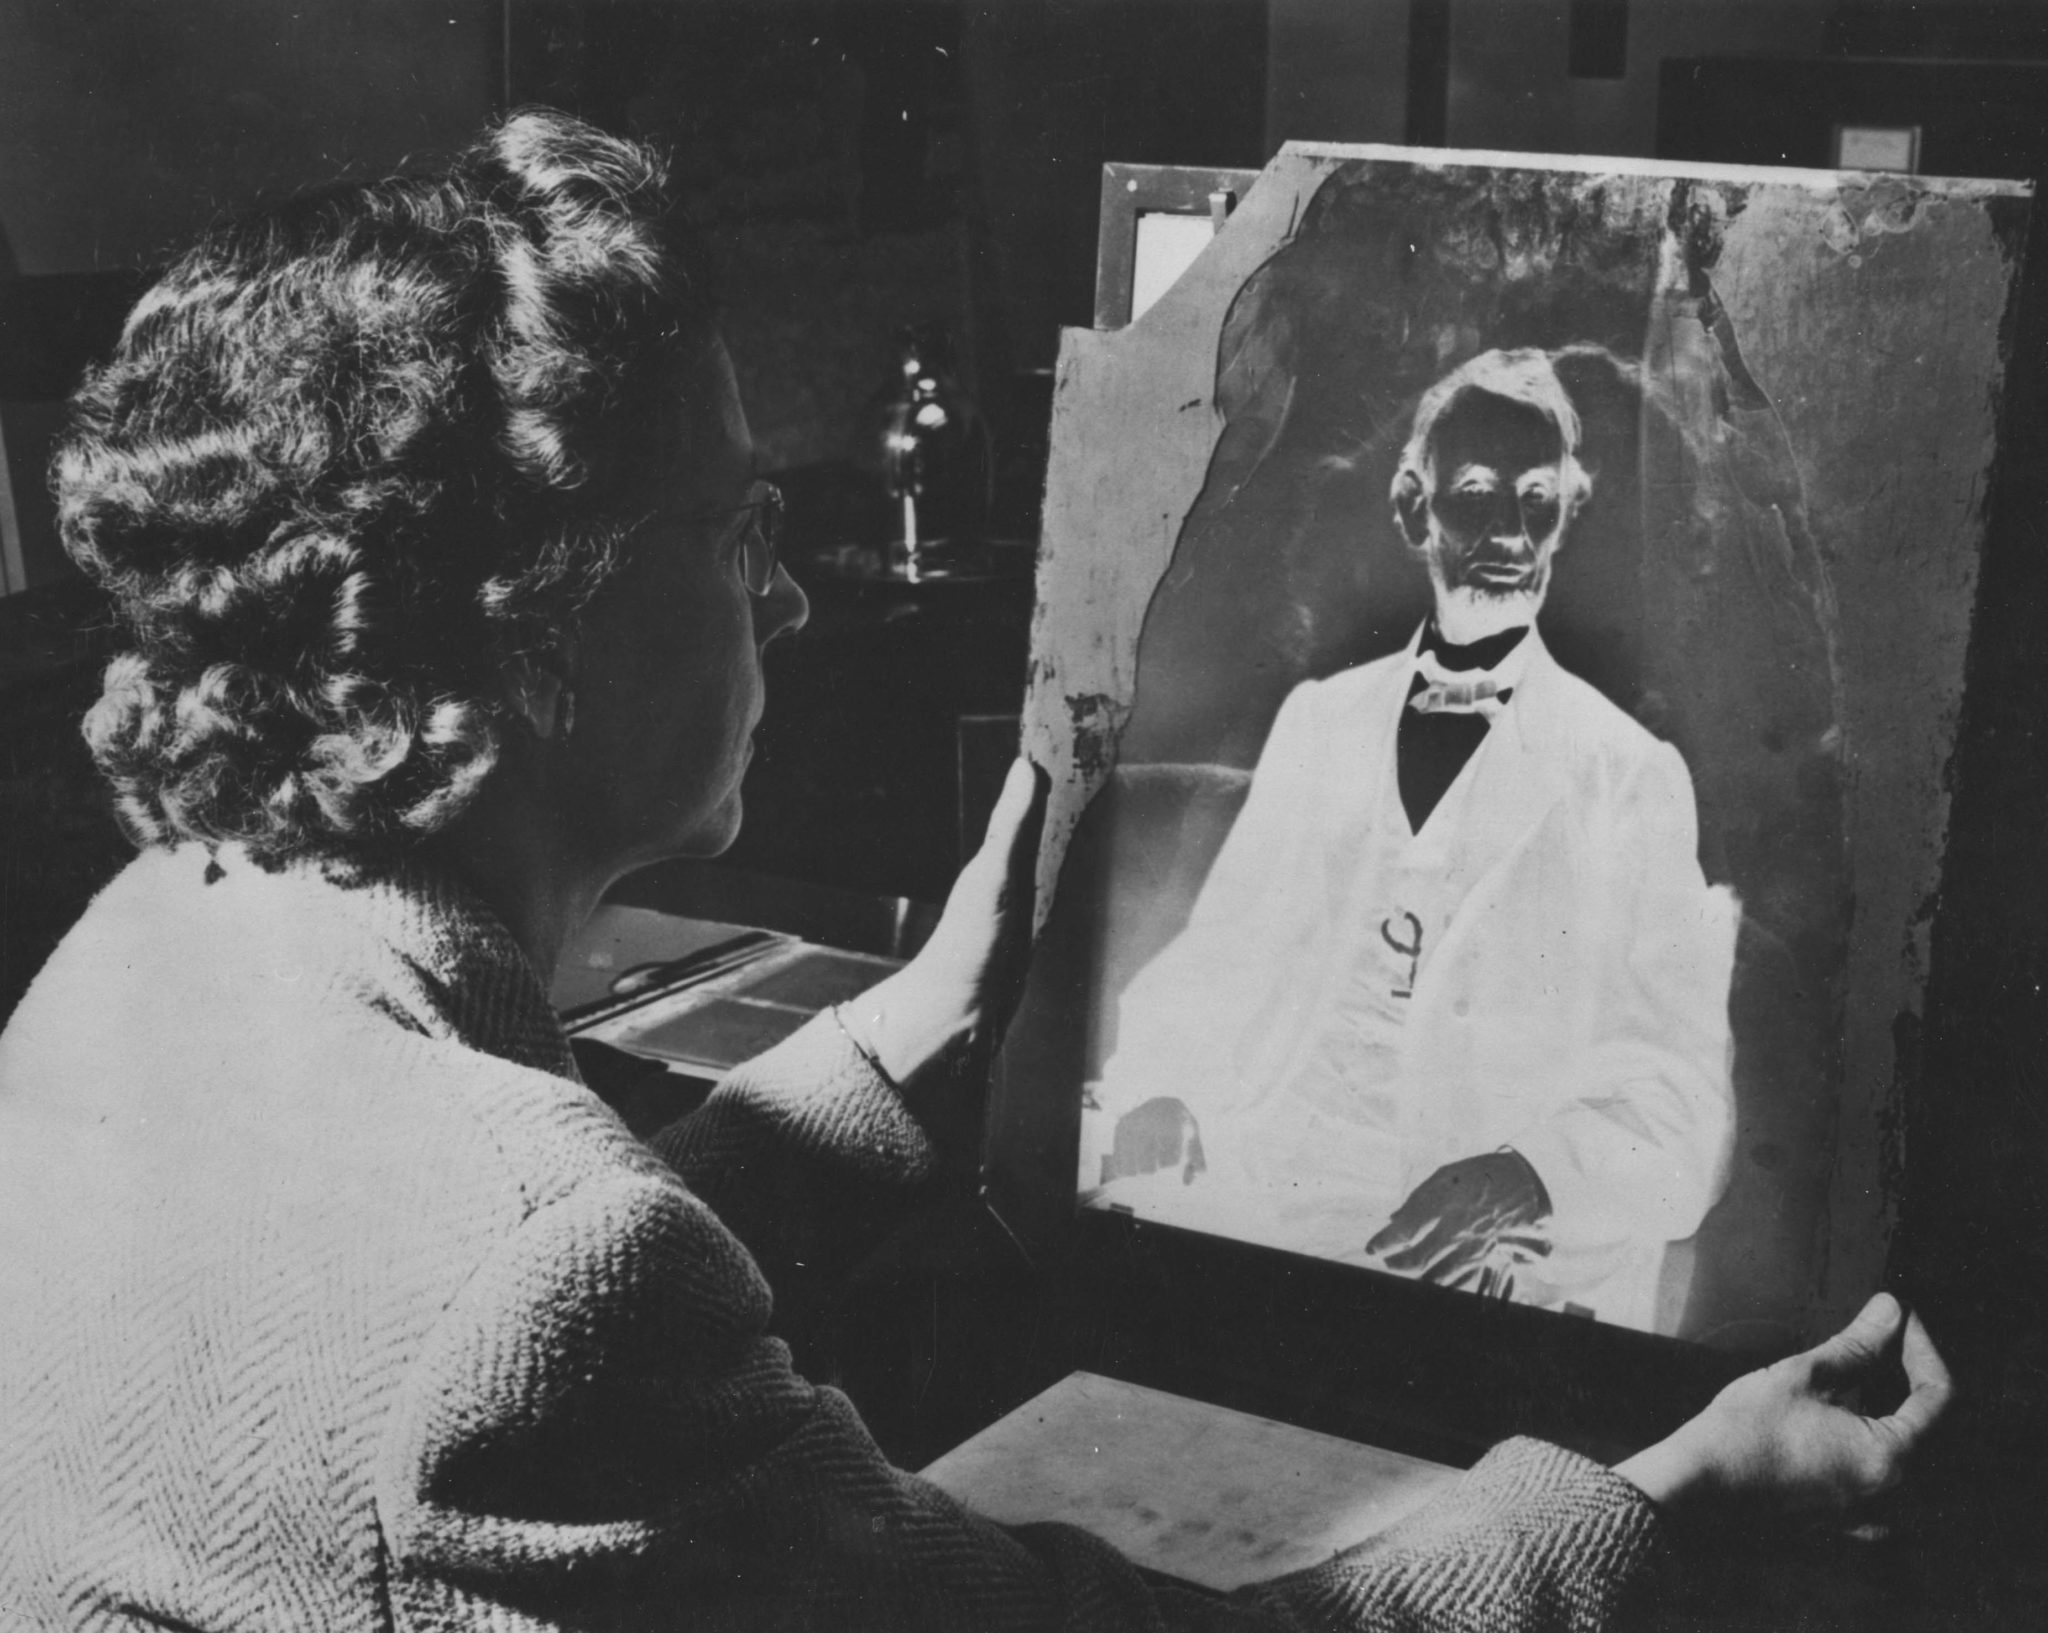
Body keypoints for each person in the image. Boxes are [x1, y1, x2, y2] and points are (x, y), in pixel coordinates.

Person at [0, 113, 1945, 1632]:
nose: (782, 593)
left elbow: (490, 1309)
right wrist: (1659, 1501)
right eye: (738, 523)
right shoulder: (531, 1294)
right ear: (537, 630)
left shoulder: (137, 956)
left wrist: (909, 1035)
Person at [1086, 349, 1738, 1329]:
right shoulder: (1320, 717)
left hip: (1470, 1247)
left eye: (1537, 498)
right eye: (1474, 494)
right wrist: (1165, 1089)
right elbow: (1219, 957)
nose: (1509, 532)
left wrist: (1529, 1176)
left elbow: (1682, 1095)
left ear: (1571, 508)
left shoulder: (1629, 773)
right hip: (1268, 1185)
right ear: (1410, 506)